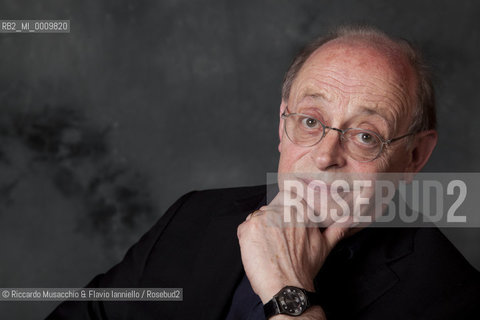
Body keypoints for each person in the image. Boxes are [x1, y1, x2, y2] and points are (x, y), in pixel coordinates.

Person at [46, 25, 480, 320]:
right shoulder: (195, 216)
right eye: (310, 122)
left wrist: (289, 290)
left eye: (366, 135)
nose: (326, 155)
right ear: (282, 125)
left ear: (415, 157)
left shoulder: (452, 299)